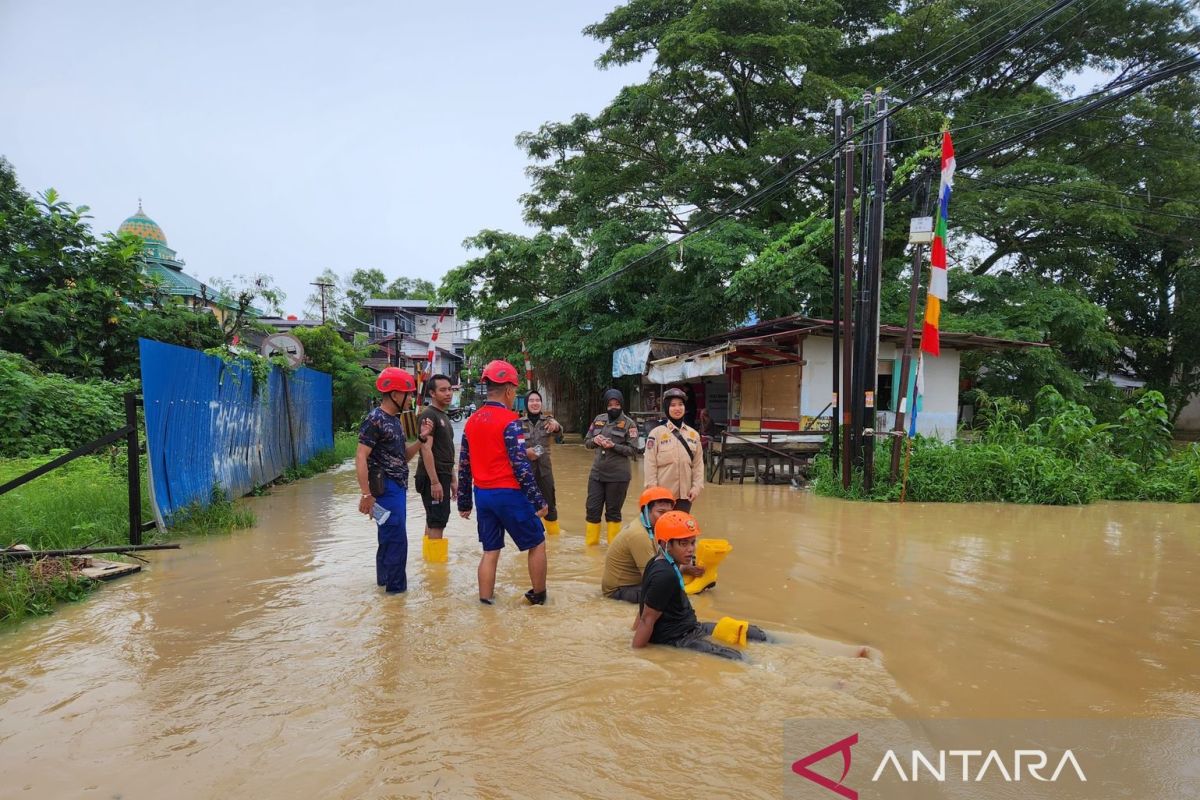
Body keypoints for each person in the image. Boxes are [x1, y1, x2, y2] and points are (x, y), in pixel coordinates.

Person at [456, 360, 550, 605]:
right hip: (509, 493)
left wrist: (464, 502)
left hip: (483, 496)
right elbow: (520, 465)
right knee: (537, 542)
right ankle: (539, 597)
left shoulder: (471, 421)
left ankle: (485, 601)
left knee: (490, 551)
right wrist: (538, 500)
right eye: (515, 391)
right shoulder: (510, 421)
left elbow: (464, 465)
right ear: (508, 390)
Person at [632, 511, 771, 660]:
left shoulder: (657, 562)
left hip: (691, 628)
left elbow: (647, 604)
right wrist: (637, 656)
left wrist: (632, 630)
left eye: (692, 542)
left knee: (750, 632)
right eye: (683, 544)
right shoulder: (665, 576)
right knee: (737, 657)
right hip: (678, 638)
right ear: (666, 544)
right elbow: (647, 619)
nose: (691, 549)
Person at [356, 367, 434, 594]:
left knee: (388, 537)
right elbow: (361, 456)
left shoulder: (396, 421)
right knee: (396, 539)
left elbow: (403, 457)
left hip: (397, 488)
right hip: (385, 490)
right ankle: (396, 594)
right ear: (395, 395)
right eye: (408, 394)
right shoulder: (375, 420)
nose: (410, 398)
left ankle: (384, 585)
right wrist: (365, 494)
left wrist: (421, 440)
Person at [602, 486, 704, 603]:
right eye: (661, 512)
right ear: (646, 510)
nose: (666, 517)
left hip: (636, 582)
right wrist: (685, 568)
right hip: (618, 590)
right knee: (672, 597)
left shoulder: (651, 526)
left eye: (669, 513)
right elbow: (654, 577)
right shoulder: (639, 535)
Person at [584, 388, 641, 546]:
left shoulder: (629, 424)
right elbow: (587, 442)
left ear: (621, 405)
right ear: (606, 405)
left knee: (613, 513)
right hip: (597, 474)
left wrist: (613, 445)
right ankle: (591, 551)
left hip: (618, 476)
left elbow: (633, 450)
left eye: (616, 404)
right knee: (592, 511)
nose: (613, 407)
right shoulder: (598, 419)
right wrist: (595, 440)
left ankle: (613, 551)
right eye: (610, 404)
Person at [415, 374, 456, 562]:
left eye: (450, 389)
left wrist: (453, 479)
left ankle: (427, 562)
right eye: (443, 390)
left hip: (442, 475)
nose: (448, 393)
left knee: (433, 520)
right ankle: (436, 573)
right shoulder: (429, 415)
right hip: (433, 477)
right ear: (432, 393)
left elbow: (447, 451)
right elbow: (426, 448)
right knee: (438, 522)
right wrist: (435, 482)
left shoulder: (443, 416)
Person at [644, 387, 705, 513]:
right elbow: (650, 464)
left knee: (681, 530)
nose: (677, 408)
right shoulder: (656, 434)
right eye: (673, 405)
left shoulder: (693, 435)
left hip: (685, 496)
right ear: (667, 408)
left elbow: (698, 465)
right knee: (662, 531)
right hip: (662, 497)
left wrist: (696, 487)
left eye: (680, 404)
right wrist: (654, 491)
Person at [519, 390, 564, 535]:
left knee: (550, 505)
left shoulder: (548, 421)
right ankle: (530, 535)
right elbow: (513, 449)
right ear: (526, 404)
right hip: (526, 472)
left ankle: (553, 537)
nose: (535, 403)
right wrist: (526, 453)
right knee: (526, 506)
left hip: (545, 470)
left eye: (537, 400)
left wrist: (557, 427)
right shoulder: (518, 423)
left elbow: (560, 436)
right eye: (531, 400)